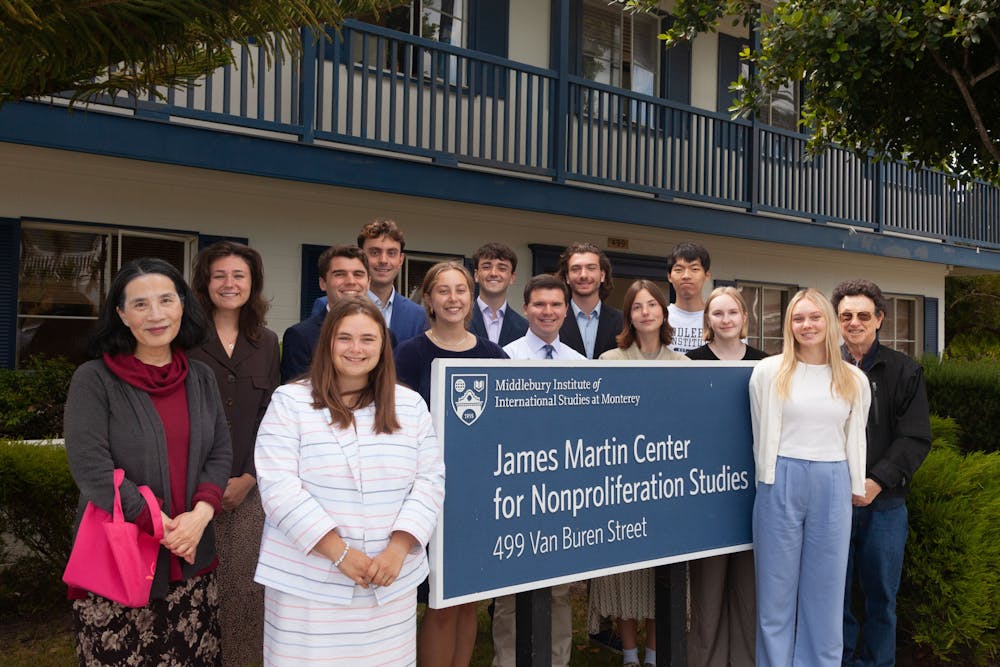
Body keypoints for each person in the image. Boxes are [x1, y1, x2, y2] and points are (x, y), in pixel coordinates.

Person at [254, 297, 445, 665]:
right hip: (309, 586)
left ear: (383, 346)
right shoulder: (290, 402)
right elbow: (278, 486)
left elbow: (430, 481)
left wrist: (398, 549)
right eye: (345, 338)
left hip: (388, 582)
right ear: (328, 342)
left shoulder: (410, 406)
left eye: (368, 339)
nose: (356, 348)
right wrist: (338, 552)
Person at [64, 257, 232, 666]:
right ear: (121, 314)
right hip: (120, 562)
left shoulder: (201, 377)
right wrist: (162, 526)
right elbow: (91, 466)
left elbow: (219, 452)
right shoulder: (94, 379)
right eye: (140, 304)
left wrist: (199, 517)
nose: (156, 314)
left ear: (182, 306)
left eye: (166, 300)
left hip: (191, 557)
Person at [393, 261, 507, 666]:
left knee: (468, 597)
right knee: (440, 601)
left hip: (479, 493)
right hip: (428, 493)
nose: (453, 298)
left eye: (461, 290)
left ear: (471, 299)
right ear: (429, 299)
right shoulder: (410, 354)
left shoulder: (493, 355)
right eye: (443, 290)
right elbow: (397, 424)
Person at [748, 288, 871, 667]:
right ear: (789, 325)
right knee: (775, 592)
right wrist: (769, 478)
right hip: (779, 480)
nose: (807, 325)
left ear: (829, 322)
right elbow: (759, 431)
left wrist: (855, 484)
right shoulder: (768, 373)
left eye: (815, 317)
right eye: (798, 318)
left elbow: (856, 436)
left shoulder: (853, 379)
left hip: (832, 482)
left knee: (826, 593)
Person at [587, 280, 688, 667]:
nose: (646, 312)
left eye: (652, 305)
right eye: (637, 307)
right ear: (628, 315)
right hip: (622, 487)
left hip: (666, 485)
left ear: (664, 311)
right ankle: (629, 655)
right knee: (625, 576)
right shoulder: (610, 360)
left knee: (659, 578)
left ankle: (653, 655)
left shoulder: (682, 365)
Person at [188, 241, 280, 667]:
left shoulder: (267, 342)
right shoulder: (183, 340)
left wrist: (249, 477)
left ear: (252, 283)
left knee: (246, 595)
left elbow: (269, 417)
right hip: (189, 492)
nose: (229, 284)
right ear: (205, 283)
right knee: (194, 594)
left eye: (238, 275)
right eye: (219, 275)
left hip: (247, 491)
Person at [832, 280, 931, 667]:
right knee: (834, 596)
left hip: (885, 505)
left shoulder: (905, 371)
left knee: (881, 599)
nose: (854, 322)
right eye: (846, 316)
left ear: (879, 319)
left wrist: (875, 482)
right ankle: (841, 661)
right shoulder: (825, 368)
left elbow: (915, 437)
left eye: (863, 315)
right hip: (834, 503)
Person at [493, 274, 583, 667]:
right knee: (511, 591)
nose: (548, 311)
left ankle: (557, 660)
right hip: (516, 493)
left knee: (558, 591)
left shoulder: (579, 363)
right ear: (526, 308)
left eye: (556, 304)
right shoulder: (504, 358)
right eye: (540, 304)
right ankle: (507, 660)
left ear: (566, 310)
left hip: (561, 495)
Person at [685, 286, 765, 667]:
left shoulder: (766, 364)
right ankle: (707, 660)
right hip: (708, 490)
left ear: (744, 317)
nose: (726, 319)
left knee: (749, 589)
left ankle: (747, 660)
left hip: (752, 489)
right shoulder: (691, 363)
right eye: (717, 313)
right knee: (709, 589)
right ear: (708, 320)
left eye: (733, 312)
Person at [281, 245, 371, 382]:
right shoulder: (300, 337)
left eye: (358, 274)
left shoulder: (385, 336)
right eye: (340, 274)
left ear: (368, 282)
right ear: (323, 283)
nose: (351, 281)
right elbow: (295, 392)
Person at [556, 242, 623, 359]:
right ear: (567, 277)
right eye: (576, 269)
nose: (583, 275)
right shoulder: (553, 320)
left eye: (591, 268)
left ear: (602, 275)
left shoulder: (624, 322)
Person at [468, 242, 529, 346]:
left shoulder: (525, 328)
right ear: (476, 275)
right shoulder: (458, 320)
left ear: (512, 278)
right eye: (486, 267)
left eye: (502, 268)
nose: (493, 273)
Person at [666, 242, 712, 354]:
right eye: (678, 269)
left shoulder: (720, 319)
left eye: (694, 269)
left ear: (707, 276)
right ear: (669, 276)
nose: (686, 276)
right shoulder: (659, 319)